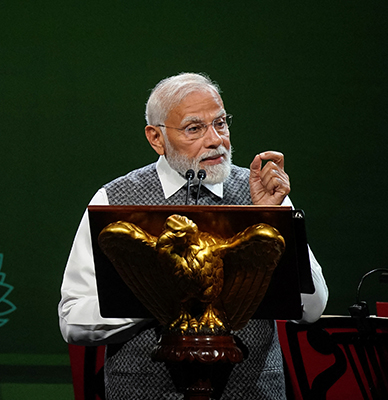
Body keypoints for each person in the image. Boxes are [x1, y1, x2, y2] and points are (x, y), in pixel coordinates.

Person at [58, 72, 329, 399]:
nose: (216, 139)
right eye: (194, 128)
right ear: (156, 138)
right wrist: (164, 298)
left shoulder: (260, 192)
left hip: (252, 392)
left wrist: (270, 218)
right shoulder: (115, 200)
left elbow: (313, 307)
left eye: (221, 123)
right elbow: (73, 320)